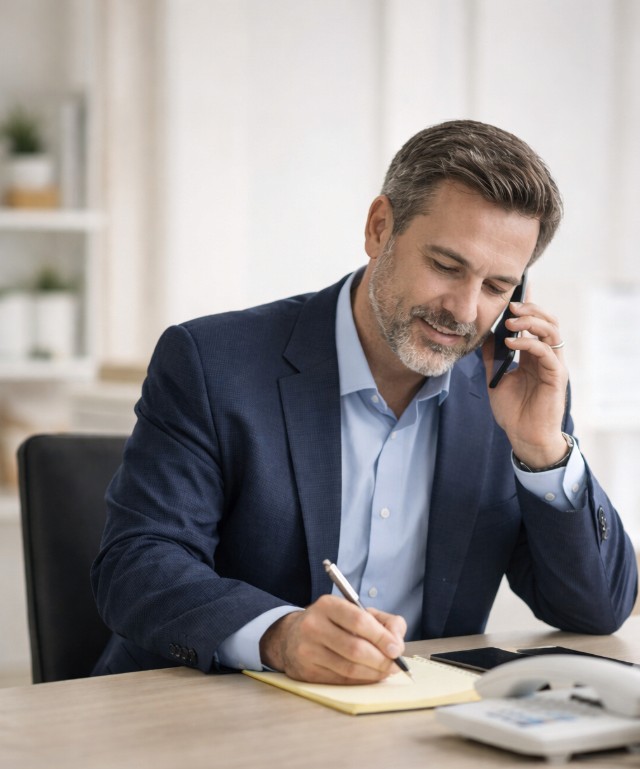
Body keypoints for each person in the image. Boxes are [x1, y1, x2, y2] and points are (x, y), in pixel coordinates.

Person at [91, 119, 638, 683]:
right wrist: (279, 635)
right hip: (205, 716)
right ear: (380, 228)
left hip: (412, 727)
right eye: (447, 266)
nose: (465, 308)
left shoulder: (515, 396)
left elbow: (594, 610)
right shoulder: (210, 361)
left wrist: (543, 451)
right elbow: (136, 567)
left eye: (498, 287)